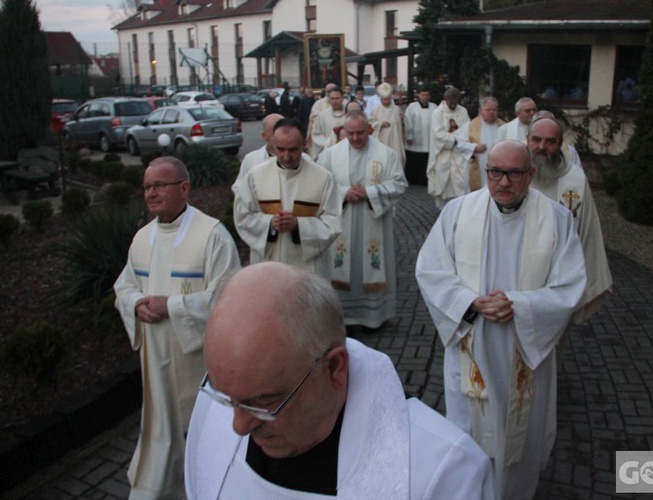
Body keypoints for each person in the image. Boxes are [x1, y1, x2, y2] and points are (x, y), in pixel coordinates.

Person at [184, 262, 497, 499]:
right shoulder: (213, 408)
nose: (237, 426)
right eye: (226, 397)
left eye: (264, 403)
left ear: (335, 368)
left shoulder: (444, 470)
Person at [415, 140, 586, 499]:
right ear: (486, 171)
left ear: (532, 174)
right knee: (468, 429)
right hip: (472, 340)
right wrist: (470, 301)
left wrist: (519, 305)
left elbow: (570, 284)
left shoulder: (555, 219)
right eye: (495, 172)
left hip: (525, 346)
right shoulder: (459, 212)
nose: (503, 182)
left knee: (519, 435)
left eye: (514, 173)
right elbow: (431, 270)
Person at [113, 156, 241, 498]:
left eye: (159, 186)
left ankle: (206, 484)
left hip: (196, 361)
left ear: (183, 188)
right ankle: (162, 485)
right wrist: (136, 303)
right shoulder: (142, 237)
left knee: (199, 430)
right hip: (155, 359)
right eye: (147, 187)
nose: (151, 194)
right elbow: (123, 287)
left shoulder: (212, 234)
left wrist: (170, 306)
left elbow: (228, 296)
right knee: (161, 426)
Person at [317, 110, 407, 329]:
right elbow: (319, 186)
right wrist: (344, 193)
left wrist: (370, 193)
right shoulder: (329, 155)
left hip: (372, 219)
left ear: (370, 129)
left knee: (370, 262)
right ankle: (341, 316)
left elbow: (399, 184)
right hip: (342, 221)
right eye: (351, 133)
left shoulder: (387, 154)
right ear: (343, 131)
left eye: (360, 133)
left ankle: (373, 318)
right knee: (340, 264)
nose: (356, 138)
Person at [528, 116, 612, 323]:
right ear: (527, 139)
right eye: (536, 139)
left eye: (550, 141)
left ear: (560, 144)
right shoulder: (512, 174)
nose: (542, 147)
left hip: (559, 278)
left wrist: (587, 280)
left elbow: (588, 232)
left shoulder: (575, 180)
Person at [233, 118, 342, 278]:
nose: (286, 156)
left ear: (304, 143)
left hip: (307, 269)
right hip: (267, 264)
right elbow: (243, 216)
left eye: (293, 149)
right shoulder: (255, 176)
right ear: (272, 143)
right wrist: (269, 222)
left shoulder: (323, 178)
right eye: (280, 149)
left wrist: (299, 225)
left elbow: (333, 222)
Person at [426, 87, 471, 209]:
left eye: (455, 102)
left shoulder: (463, 111)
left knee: (460, 184)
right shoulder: (437, 113)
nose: (453, 105)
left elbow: (467, 130)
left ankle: (460, 208)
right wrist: (455, 139)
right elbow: (438, 135)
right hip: (443, 154)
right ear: (445, 100)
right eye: (451, 102)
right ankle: (443, 209)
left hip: (458, 153)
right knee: (444, 183)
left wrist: (456, 138)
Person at [456, 96, 505, 191]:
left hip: (499, 167)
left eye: (494, 110)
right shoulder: (470, 126)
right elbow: (459, 144)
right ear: (481, 111)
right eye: (488, 110)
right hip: (479, 168)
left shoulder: (504, 127)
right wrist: (474, 147)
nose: (491, 112)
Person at [232, 113, 284, 193]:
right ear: (264, 136)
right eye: (275, 132)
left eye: (284, 131)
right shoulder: (251, 159)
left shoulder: (302, 158)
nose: (280, 136)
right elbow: (239, 188)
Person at [404, 86, 437, 186]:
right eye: (423, 95)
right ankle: (413, 180)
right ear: (418, 95)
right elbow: (407, 121)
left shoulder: (434, 106)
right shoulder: (412, 106)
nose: (425, 97)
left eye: (427, 95)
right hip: (415, 139)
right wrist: (409, 135)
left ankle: (426, 180)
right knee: (415, 160)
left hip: (429, 139)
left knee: (427, 160)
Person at [369, 82, 406, 166]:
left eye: (388, 99)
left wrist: (403, 119)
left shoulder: (397, 109)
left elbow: (404, 126)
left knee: (396, 162)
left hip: (396, 141)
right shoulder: (375, 111)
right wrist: (380, 124)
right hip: (382, 141)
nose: (386, 101)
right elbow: (371, 124)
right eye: (384, 99)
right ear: (381, 99)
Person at [309, 86, 346, 161]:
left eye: (337, 98)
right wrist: (329, 143)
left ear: (342, 99)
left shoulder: (348, 114)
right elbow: (316, 134)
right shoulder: (322, 116)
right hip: (328, 153)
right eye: (332, 99)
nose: (334, 101)